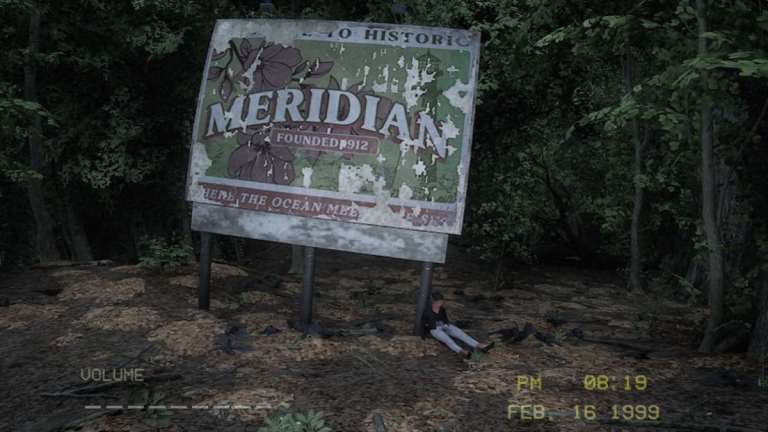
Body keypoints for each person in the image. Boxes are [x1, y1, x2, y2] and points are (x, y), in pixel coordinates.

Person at [422, 292, 494, 358]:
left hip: (444, 326)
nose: (440, 303)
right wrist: (425, 334)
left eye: (441, 301)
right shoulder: (427, 311)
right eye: (438, 302)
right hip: (435, 329)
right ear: (433, 301)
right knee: (447, 339)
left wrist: (446, 325)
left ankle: (480, 346)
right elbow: (425, 324)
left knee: (460, 333)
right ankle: (462, 352)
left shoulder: (442, 309)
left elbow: (445, 320)